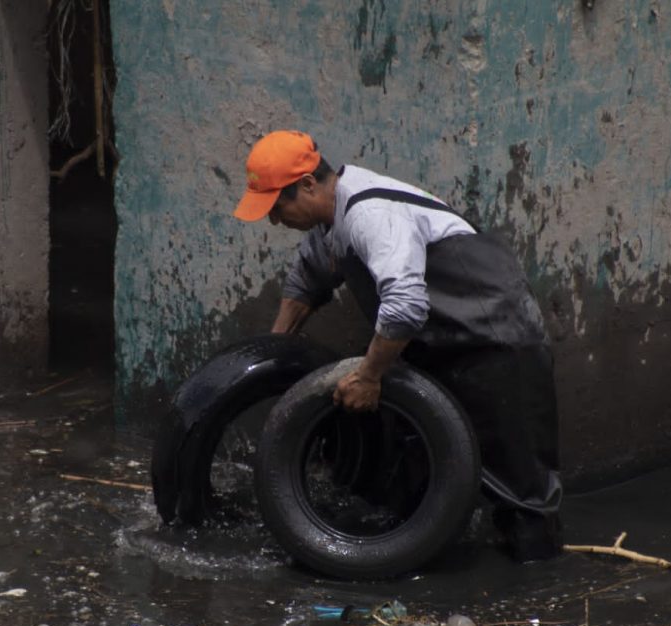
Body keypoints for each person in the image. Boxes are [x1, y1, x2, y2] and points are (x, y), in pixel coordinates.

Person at [232, 130, 563, 561]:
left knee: (522, 490)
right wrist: (275, 354)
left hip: (496, 342)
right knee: (416, 473)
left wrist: (369, 375)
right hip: (441, 348)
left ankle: (534, 597)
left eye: (278, 207)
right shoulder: (331, 220)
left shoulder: (372, 213)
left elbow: (405, 305)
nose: (275, 220)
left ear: (310, 184)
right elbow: (307, 280)